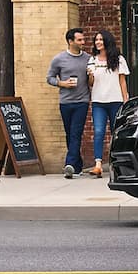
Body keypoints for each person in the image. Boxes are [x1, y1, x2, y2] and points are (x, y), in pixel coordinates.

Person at [47, 27, 90, 179]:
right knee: (69, 134)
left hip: (82, 101)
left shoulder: (88, 59)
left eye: (83, 39)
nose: (83, 42)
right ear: (70, 41)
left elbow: (91, 80)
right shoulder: (59, 59)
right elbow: (50, 78)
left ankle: (69, 164)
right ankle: (77, 165)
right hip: (65, 102)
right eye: (79, 40)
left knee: (76, 133)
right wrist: (62, 84)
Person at [87, 29, 129, 178]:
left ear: (107, 41)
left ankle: (115, 163)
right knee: (98, 132)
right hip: (99, 101)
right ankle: (98, 164)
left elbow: (122, 81)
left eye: (100, 39)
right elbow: (91, 83)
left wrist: (126, 101)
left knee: (115, 133)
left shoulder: (118, 59)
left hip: (116, 100)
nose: (98, 42)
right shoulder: (93, 60)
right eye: (96, 39)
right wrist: (90, 76)